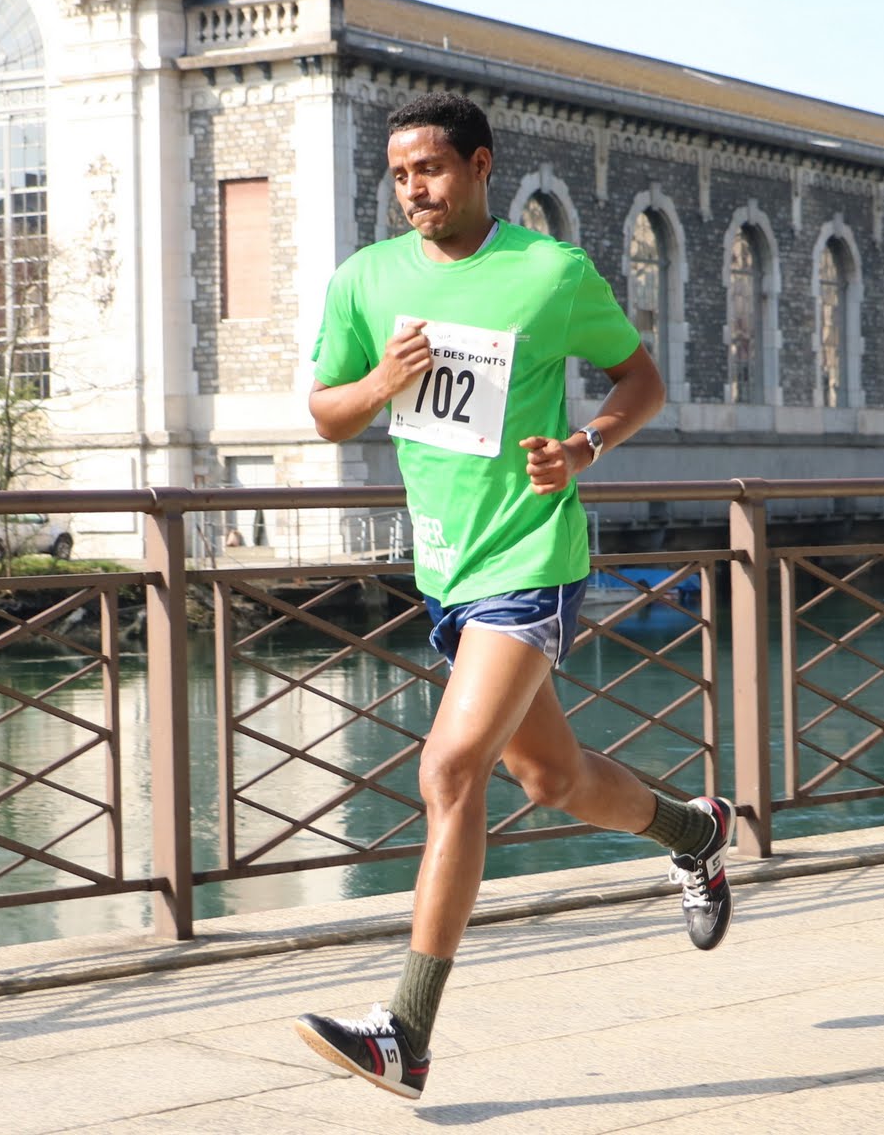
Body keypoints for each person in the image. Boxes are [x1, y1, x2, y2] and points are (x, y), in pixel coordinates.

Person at [293, 91, 735, 1100]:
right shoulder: (364, 282)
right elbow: (326, 414)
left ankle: (406, 1034)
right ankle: (694, 832)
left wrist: (583, 448)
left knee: (450, 769)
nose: (414, 190)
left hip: (533, 560)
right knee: (551, 780)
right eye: (400, 175)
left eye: (431, 169)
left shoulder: (549, 272)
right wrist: (380, 384)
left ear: (480, 166)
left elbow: (640, 382)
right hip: (446, 571)